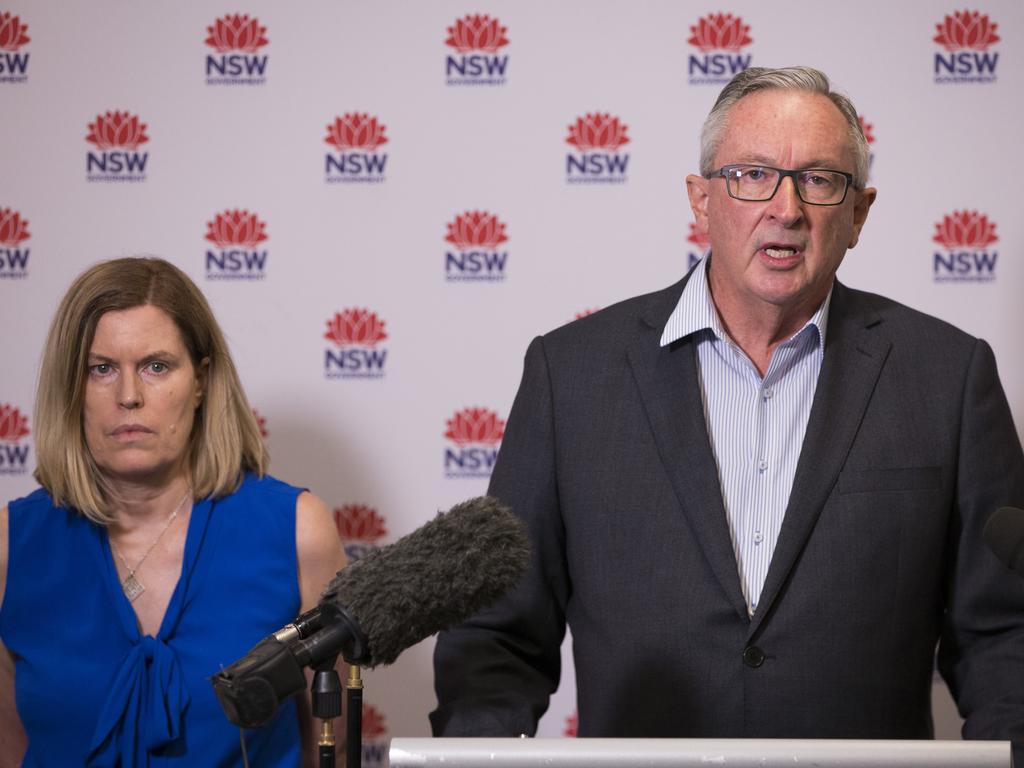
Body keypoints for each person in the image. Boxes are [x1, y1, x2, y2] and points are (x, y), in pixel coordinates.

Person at [431, 66, 1024, 757]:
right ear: (700, 199)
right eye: (752, 175)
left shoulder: (948, 376)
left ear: (858, 214)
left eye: (820, 180)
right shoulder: (572, 376)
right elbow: (497, 632)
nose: (786, 208)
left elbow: (1005, 633)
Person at [0, 257, 346, 766]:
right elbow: (12, 745)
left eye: (156, 366)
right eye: (101, 369)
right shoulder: (12, 546)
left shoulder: (297, 531)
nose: (129, 396)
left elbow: (329, 749)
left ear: (202, 380)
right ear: (70, 388)